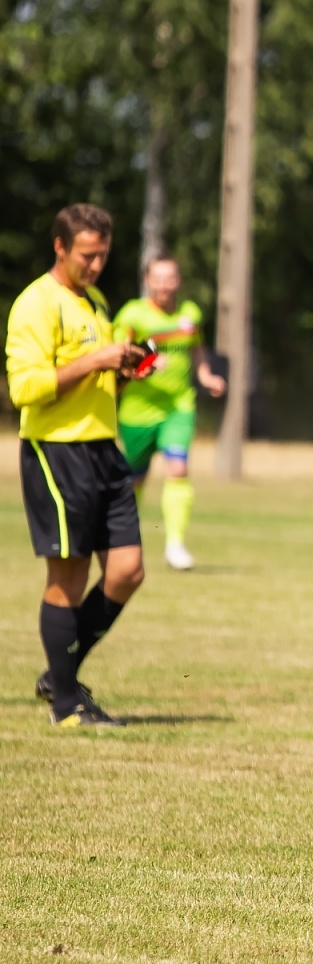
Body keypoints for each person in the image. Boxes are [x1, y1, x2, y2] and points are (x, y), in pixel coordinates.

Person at [6, 204, 145, 726]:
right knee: (68, 575)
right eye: (88, 255)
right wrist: (95, 360)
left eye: (104, 255)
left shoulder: (98, 302)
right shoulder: (35, 306)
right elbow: (26, 389)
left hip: (104, 449)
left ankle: (59, 676)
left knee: (128, 570)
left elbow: (95, 380)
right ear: (60, 247)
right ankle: (66, 705)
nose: (96, 264)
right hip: (57, 452)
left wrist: (124, 369)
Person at [113, 256, 227, 570]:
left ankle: (175, 544)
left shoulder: (189, 315)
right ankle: (127, 540)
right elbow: (118, 355)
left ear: (179, 281)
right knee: (135, 480)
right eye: (157, 278)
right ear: (147, 280)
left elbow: (197, 348)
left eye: (170, 278)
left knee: (178, 469)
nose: (164, 285)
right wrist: (146, 361)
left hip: (178, 406)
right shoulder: (133, 314)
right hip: (138, 411)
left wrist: (206, 376)